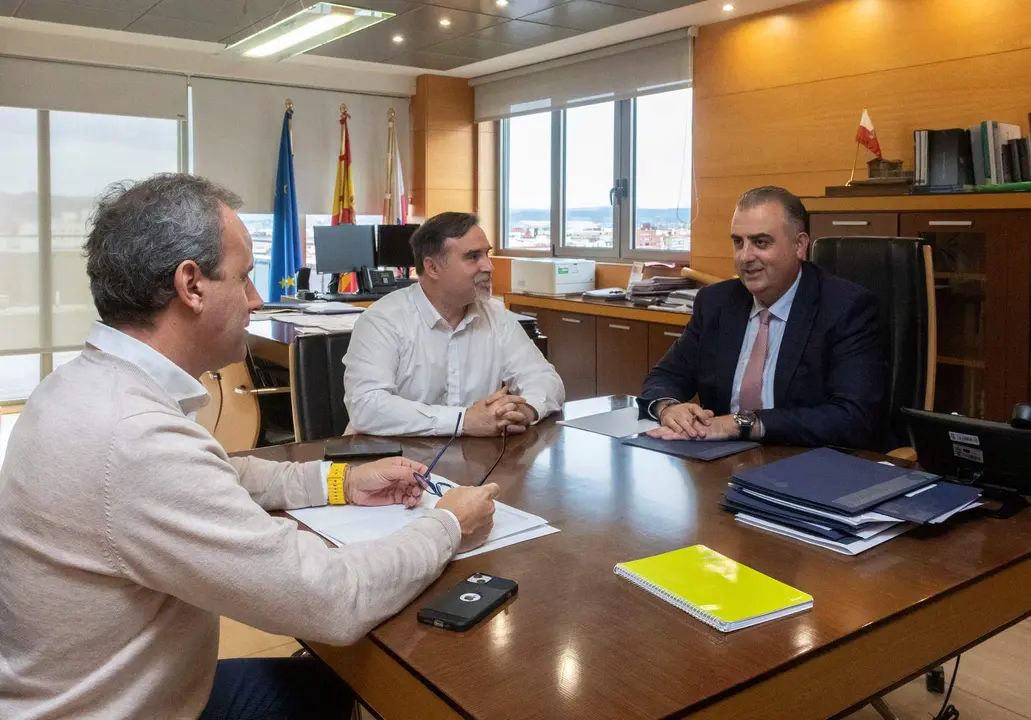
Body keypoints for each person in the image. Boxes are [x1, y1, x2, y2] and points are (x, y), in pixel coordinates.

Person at [0, 174, 500, 720]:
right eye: (245, 279)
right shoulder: (133, 437)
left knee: (326, 683)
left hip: (127, 688)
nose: (257, 301)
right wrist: (447, 524)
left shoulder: (79, 387)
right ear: (191, 285)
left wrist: (340, 481)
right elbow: (331, 599)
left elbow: (216, 475)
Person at [639, 186, 886, 448]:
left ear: (799, 245)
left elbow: (851, 418)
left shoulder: (846, 308)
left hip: (806, 462)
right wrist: (669, 408)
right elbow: (664, 377)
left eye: (761, 242)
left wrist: (738, 423)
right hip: (719, 460)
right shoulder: (716, 303)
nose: (745, 257)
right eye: (738, 242)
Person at [343, 212, 565, 437]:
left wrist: (523, 409)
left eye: (486, 254)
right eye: (473, 257)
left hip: (470, 459)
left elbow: (545, 379)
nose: (488, 266)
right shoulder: (383, 321)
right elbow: (366, 406)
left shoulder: (497, 316)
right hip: (387, 460)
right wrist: (464, 420)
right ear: (432, 268)